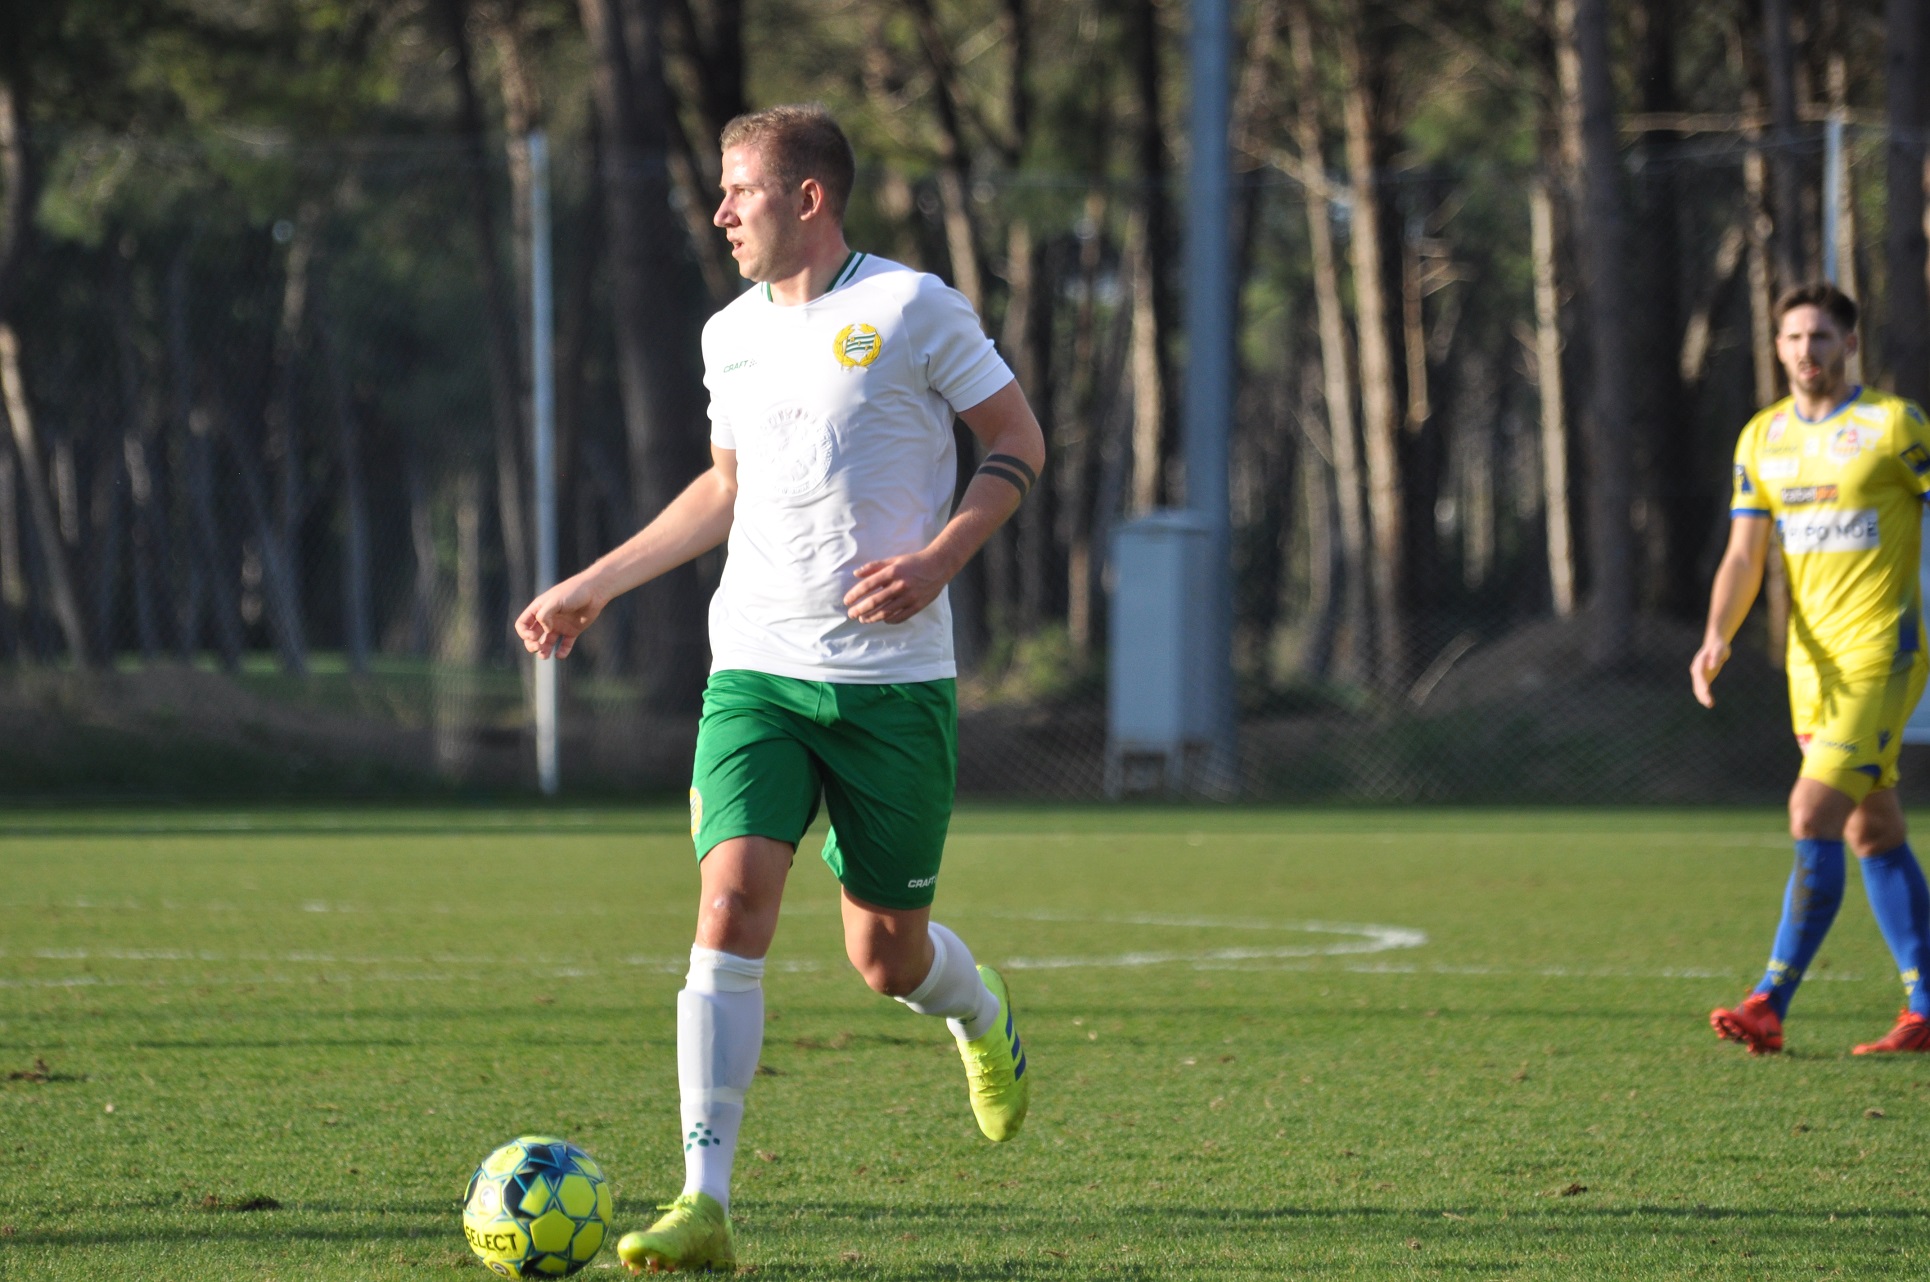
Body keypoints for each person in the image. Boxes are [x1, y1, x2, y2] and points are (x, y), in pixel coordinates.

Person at [515, 104, 1043, 1272]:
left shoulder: (911, 307)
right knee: (729, 905)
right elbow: (725, 487)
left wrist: (938, 560)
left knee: (885, 958)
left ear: (807, 198)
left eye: (739, 190)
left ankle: (977, 1009)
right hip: (755, 668)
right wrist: (596, 583)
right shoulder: (729, 335)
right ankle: (703, 1201)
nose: (719, 213)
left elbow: (1016, 442)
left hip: (892, 686)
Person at [1697, 282, 1930, 1057]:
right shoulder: (1762, 438)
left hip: (1882, 653)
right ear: (1777, 348)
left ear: (1849, 345)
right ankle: (1927, 1007)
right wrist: (1717, 635)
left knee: (1811, 812)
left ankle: (1769, 1001)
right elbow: (1744, 555)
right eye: (1794, 337)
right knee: (1872, 827)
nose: (1807, 350)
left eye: (1822, 336)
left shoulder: (1894, 426)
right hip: (1812, 669)